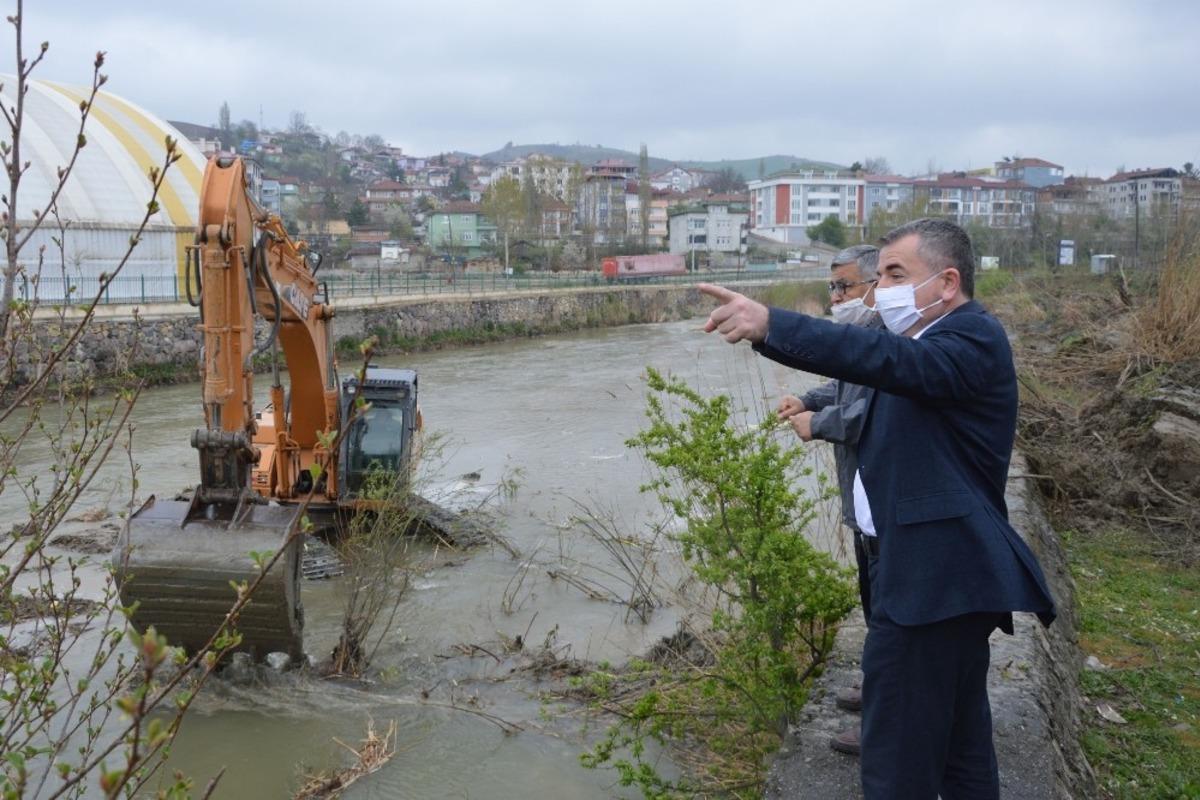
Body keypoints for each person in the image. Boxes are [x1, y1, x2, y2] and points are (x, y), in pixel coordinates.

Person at [698, 218, 1056, 799]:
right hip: (936, 575)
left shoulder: (969, 339)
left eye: (895, 274)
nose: (880, 287)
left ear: (946, 282)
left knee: (895, 760)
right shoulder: (926, 341)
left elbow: (876, 359)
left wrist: (771, 324)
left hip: (932, 582)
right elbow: (870, 370)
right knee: (961, 747)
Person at [777, 244, 881, 756]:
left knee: (889, 612)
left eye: (845, 287)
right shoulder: (863, 336)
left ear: (877, 284)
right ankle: (875, 685)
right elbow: (842, 389)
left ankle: (884, 717)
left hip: (884, 503)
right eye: (832, 288)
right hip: (865, 508)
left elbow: (864, 415)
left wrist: (813, 424)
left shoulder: (891, 340)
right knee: (874, 600)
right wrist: (809, 400)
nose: (837, 297)